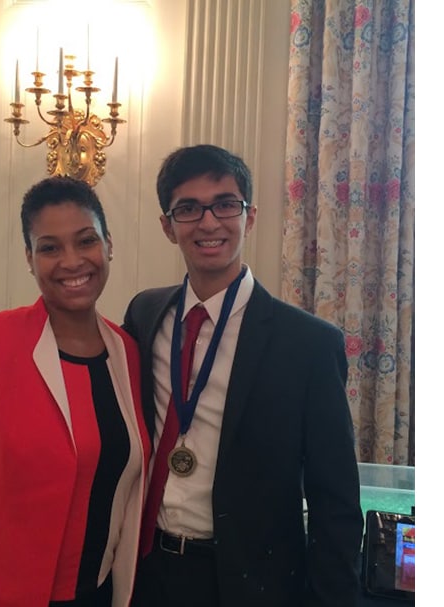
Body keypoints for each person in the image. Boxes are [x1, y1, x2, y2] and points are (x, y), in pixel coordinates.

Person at [123, 144, 363, 606]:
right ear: (168, 226)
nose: (208, 222)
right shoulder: (145, 313)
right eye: (188, 208)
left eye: (225, 204)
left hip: (249, 582)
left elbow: (335, 500)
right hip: (146, 569)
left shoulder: (309, 345)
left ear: (249, 217)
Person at [0, 176, 151, 607]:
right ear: (30, 258)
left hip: (98, 594)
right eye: (50, 247)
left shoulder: (128, 353)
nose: (72, 261)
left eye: (86, 241)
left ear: (108, 245)